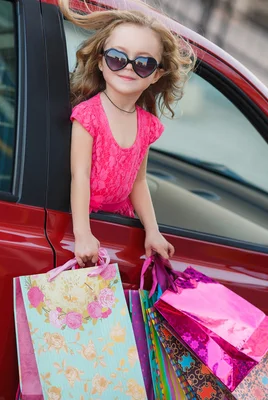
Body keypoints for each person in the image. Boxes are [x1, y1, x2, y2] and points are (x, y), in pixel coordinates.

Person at [59, 0, 196, 267]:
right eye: (117, 58)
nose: (129, 67)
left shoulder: (146, 125)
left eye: (143, 63)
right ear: (101, 62)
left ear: (156, 75)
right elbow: (81, 176)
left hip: (120, 225)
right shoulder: (88, 116)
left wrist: (153, 231)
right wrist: (83, 233)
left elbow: (139, 182)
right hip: (83, 222)